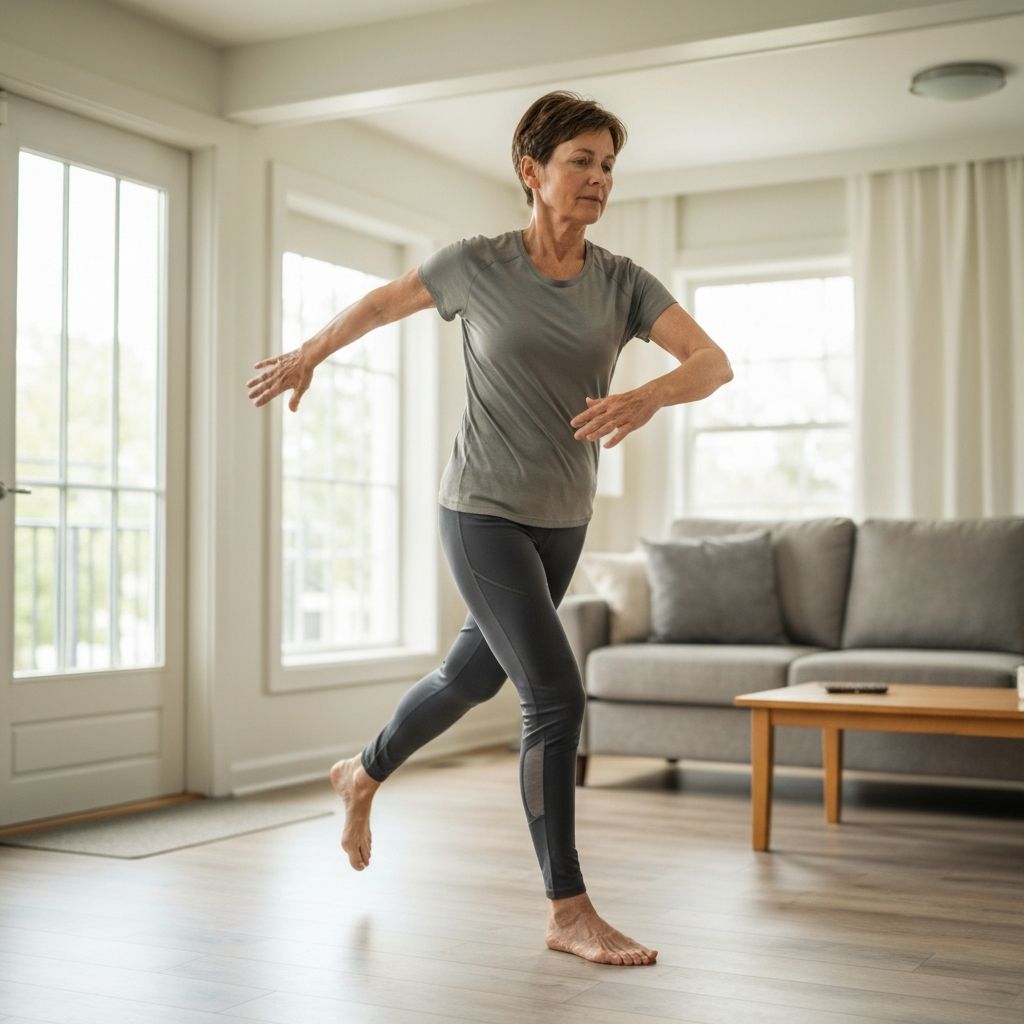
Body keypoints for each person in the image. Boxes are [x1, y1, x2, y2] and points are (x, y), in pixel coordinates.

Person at [246, 90, 733, 967]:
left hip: (563, 520)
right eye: (580, 161)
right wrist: (309, 351)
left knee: (468, 678)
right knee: (555, 694)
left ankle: (360, 773)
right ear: (532, 172)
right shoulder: (477, 265)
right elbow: (382, 303)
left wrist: (649, 393)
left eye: (608, 165)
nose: (598, 179)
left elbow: (711, 361)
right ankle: (567, 908)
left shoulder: (622, 283)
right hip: (480, 510)